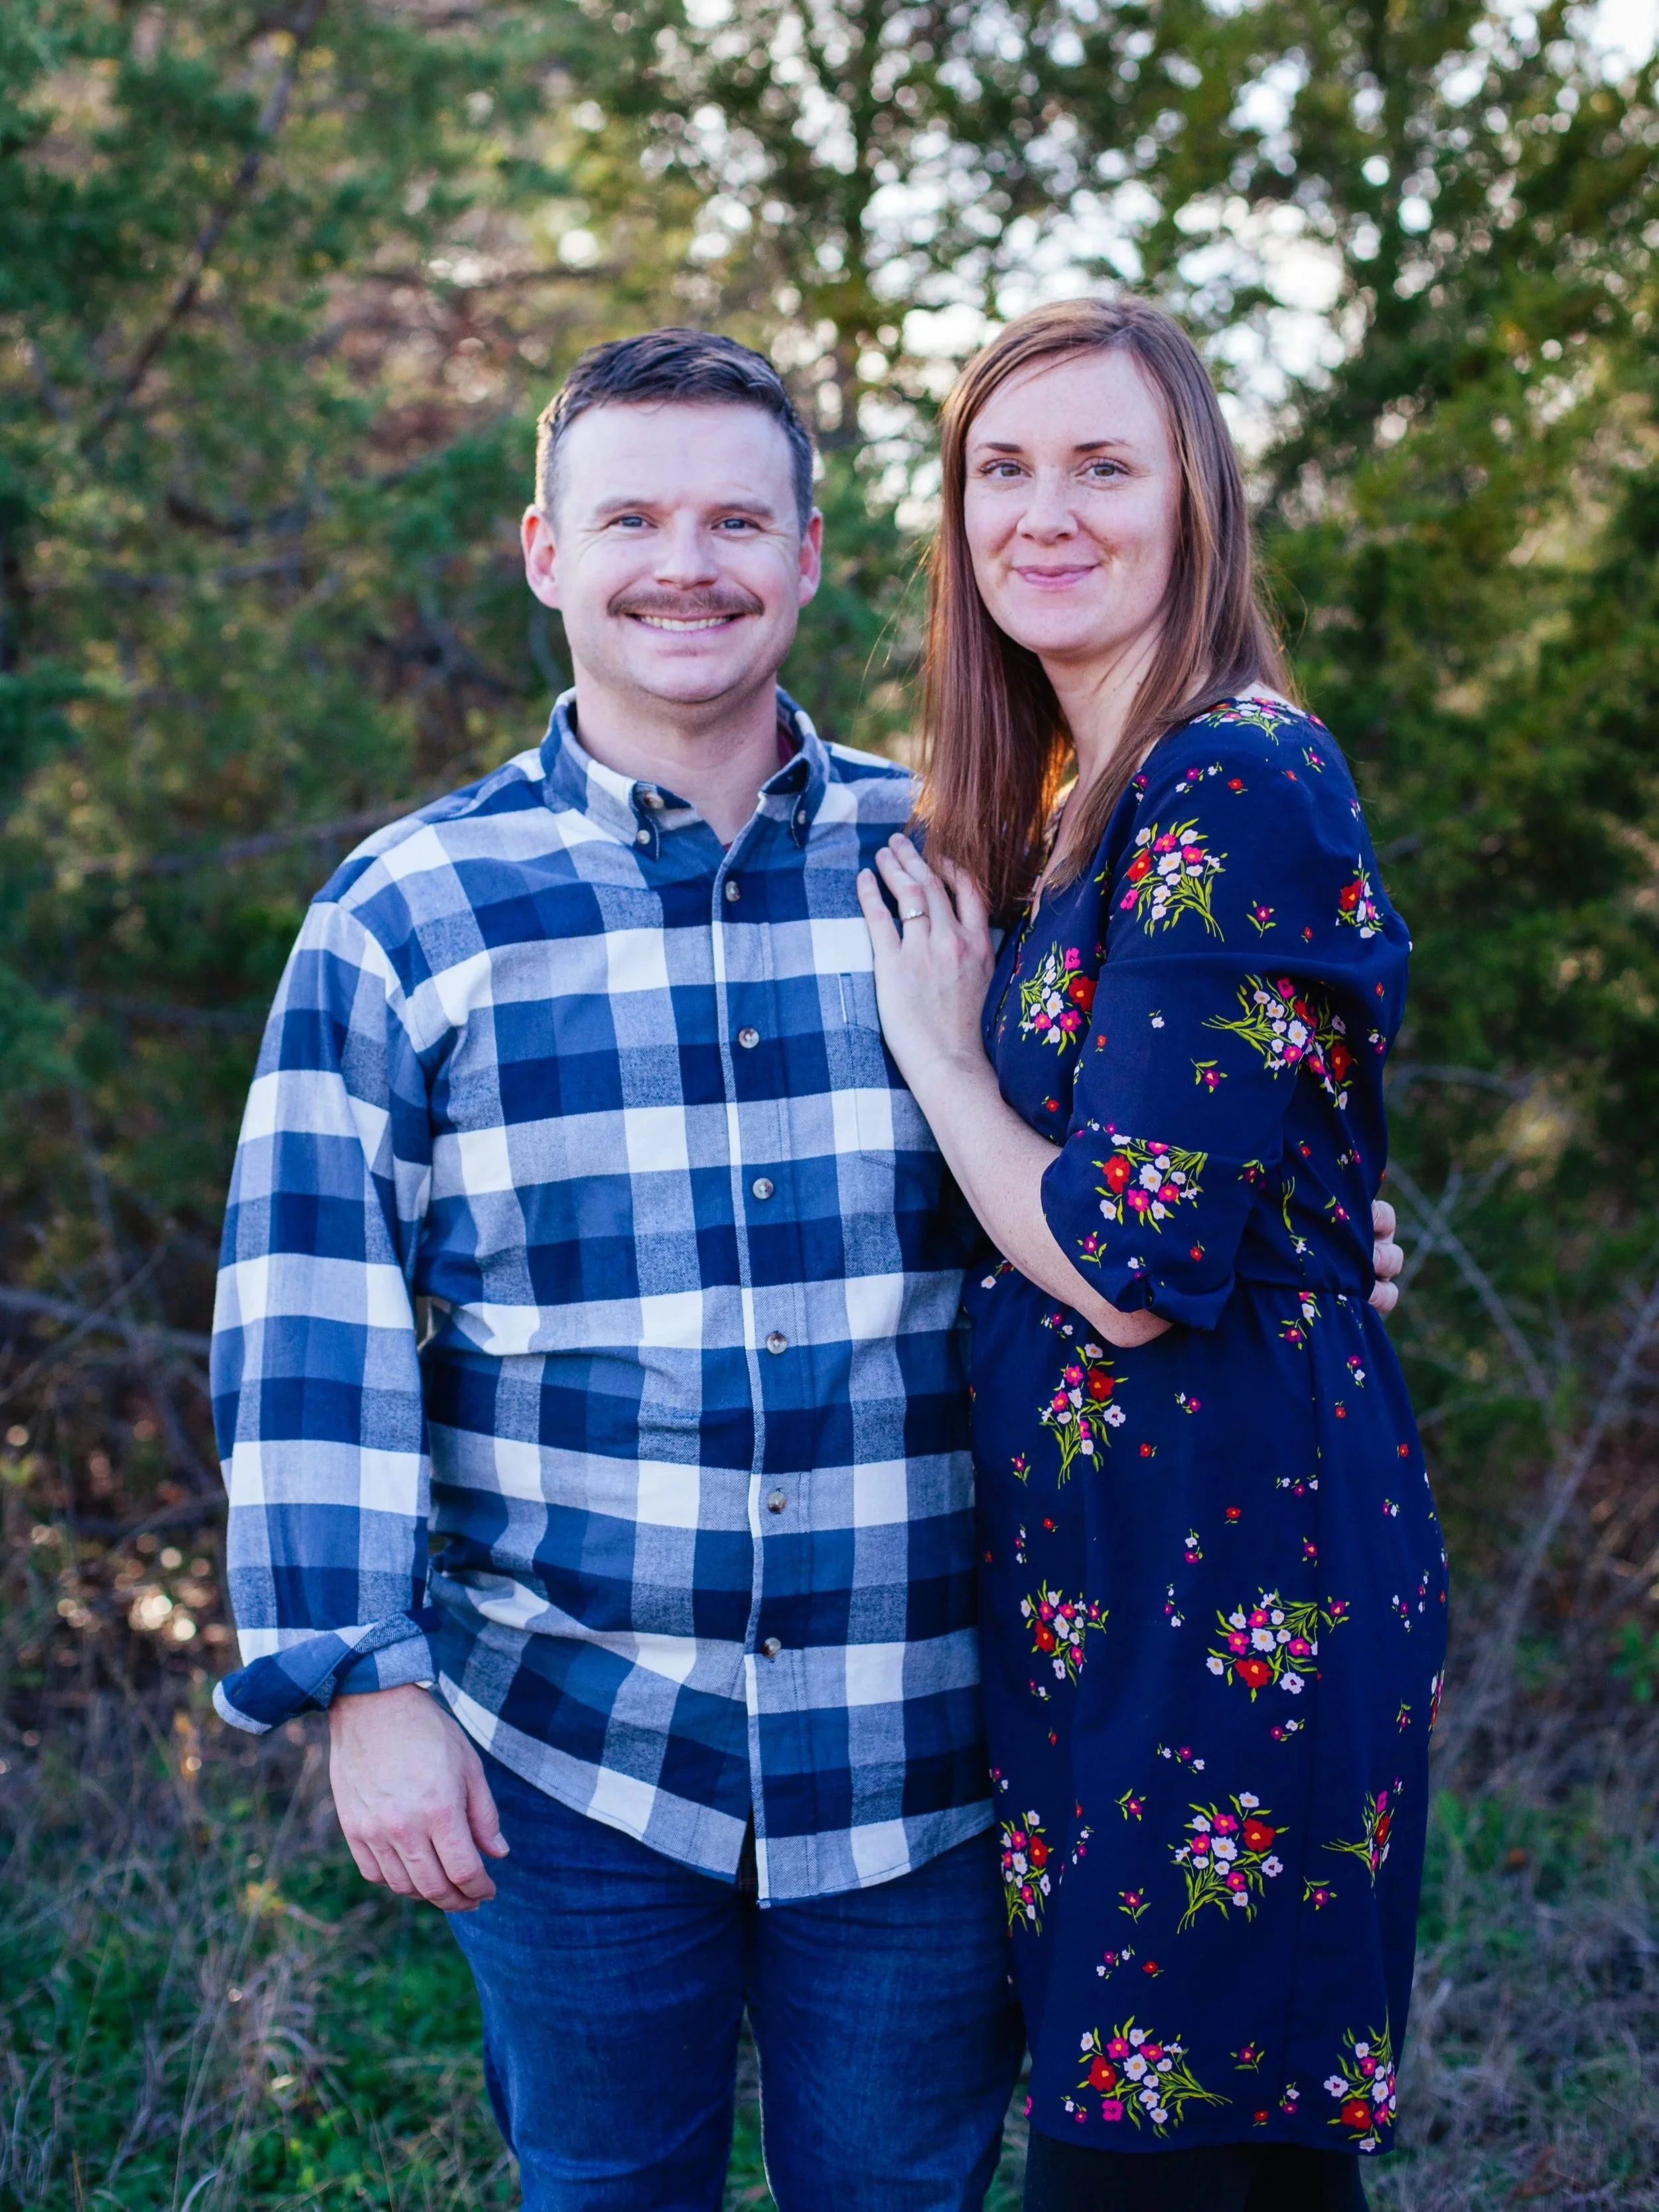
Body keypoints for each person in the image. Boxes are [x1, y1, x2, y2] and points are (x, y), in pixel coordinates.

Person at [210, 322, 1406, 2212]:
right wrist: (361, 1681)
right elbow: (311, 1317)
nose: (683, 564)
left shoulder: (954, 861)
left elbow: (1141, 1166)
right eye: (632, 519)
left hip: (919, 1752)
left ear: (811, 553)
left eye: (735, 521)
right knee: (607, 2187)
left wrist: (1310, 1252)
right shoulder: (408, 913)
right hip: (576, 1747)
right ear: (545, 552)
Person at [854, 296, 1445, 2212]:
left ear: (1196, 496)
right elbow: (1228, 1170)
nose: (1044, 513)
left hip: (1231, 1579)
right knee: (1214, 2169)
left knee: (1168, 2166)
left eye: (1103, 466)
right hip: (1108, 1580)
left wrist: (945, 1060)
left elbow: (1123, 1262)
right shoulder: (1071, 797)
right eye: (1001, 470)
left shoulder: (1228, 774)